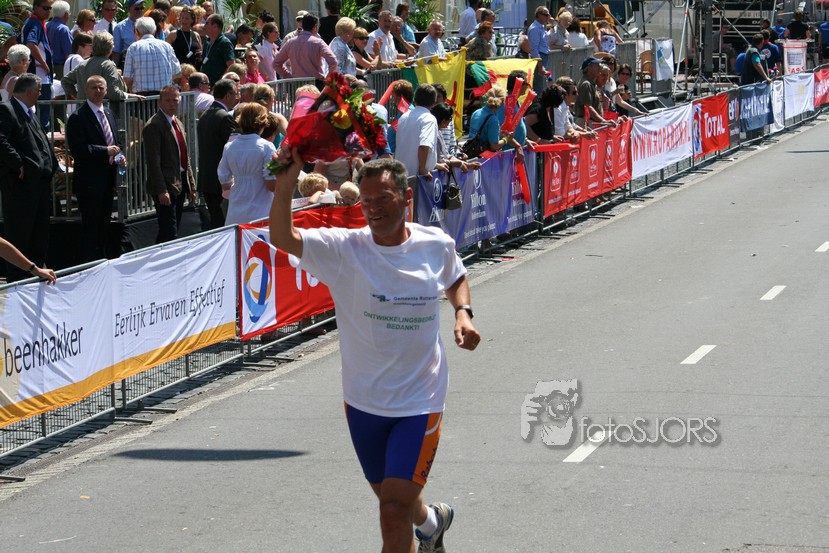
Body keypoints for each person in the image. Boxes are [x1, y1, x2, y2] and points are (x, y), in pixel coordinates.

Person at [0, 73, 57, 282]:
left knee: (39, 234)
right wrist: (17, 163)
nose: (40, 94)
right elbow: (1, 140)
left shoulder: (29, 112)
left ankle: (36, 273)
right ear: (30, 91)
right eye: (39, 91)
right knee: (20, 233)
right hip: (20, 186)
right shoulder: (7, 110)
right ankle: (18, 277)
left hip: (39, 184)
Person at [66, 76, 123, 262]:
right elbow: (79, 149)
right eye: (93, 88)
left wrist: (119, 157)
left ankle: (102, 258)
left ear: (106, 90)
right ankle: (89, 262)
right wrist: (106, 151)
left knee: (104, 224)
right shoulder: (78, 117)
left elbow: (116, 142)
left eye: (101, 88)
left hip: (107, 181)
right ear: (86, 90)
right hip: (89, 183)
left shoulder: (109, 113)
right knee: (90, 226)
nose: (98, 91)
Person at [143, 85, 196, 243]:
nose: (172, 104)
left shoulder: (177, 122)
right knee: (169, 231)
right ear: (159, 102)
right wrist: (161, 190)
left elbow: (185, 156)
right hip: (165, 184)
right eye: (168, 100)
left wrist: (191, 186)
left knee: (172, 229)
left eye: (175, 100)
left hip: (180, 181)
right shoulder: (154, 125)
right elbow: (153, 162)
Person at [217, 102, 277, 225]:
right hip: (262, 210)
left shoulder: (229, 147)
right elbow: (271, 184)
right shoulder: (267, 146)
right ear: (262, 123)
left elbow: (224, 180)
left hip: (236, 208)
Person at [197, 78, 238, 229]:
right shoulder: (225, 117)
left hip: (207, 180)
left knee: (216, 222)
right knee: (223, 224)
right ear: (227, 95)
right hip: (221, 182)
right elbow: (233, 148)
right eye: (236, 93)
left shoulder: (205, 115)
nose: (237, 98)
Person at [63, 31, 137, 103]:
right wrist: (129, 96)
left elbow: (65, 81)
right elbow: (113, 93)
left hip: (84, 108)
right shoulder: (108, 65)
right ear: (109, 47)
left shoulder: (83, 64)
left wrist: (79, 97)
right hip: (104, 109)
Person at [274, 13, 337, 87]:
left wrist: (288, 76)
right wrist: (328, 78)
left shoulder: (290, 42)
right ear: (315, 26)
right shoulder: (318, 43)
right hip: (315, 84)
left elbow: (276, 63)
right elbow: (333, 61)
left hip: (297, 84)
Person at [123, 17, 180, 96]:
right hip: (164, 96)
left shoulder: (133, 48)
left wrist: (131, 91)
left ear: (137, 31)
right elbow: (177, 73)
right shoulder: (166, 46)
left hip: (141, 97)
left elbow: (127, 79)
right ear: (154, 30)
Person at [394, 83, 439, 177]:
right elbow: (424, 146)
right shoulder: (429, 119)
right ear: (434, 102)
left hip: (400, 173)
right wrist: (423, 169)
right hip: (417, 177)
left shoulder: (403, 117)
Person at [22, 0, 54, 130]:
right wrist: (44, 63)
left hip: (34, 76)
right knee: (42, 119)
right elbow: (30, 43)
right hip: (39, 78)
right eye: (45, 8)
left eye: (50, 8)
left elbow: (17, 40)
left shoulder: (30, 22)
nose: (48, 11)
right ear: (35, 7)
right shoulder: (35, 23)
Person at [468, 84, 512, 153]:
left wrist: (499, 133)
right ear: (502, 102)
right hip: (484, 155)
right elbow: (494, 146)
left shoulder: (476, 112)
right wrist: (506, 139)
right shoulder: (493, 120)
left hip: (472, 152)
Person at [575, 56, 617, 128]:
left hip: (592, 122)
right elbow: (588, 107)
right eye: (597, 65)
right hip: (587, 124)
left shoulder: (591, 84)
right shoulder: (586, 84)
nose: (600, 68)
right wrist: (603, 121)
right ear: (589, 68)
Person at [202, 14, 236, 84]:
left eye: (207, 23)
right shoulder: (207, 41)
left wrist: (219, 83)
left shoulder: (224, 43)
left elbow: (231, 66)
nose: (204, 26)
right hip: (206, 85)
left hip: (218, 86)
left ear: (215, 26)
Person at [113, 0, 146, 67]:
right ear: (129, 9)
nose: (140, 11)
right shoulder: (120, 27)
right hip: (128, 64)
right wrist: (115, 68)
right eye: (136, 9)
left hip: (145, 62)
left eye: (142, 8)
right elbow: (116, 51)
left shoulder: (148, 25)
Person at [47, 1, 73, 80]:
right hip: (60, 68)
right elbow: (69, 53)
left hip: (46, 65)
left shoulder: (46, 25)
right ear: (66, 14)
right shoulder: (64, 29)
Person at [527, 7, 551, 90]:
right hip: (539, 59)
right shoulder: (535, 29)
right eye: (546, 15)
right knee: (538, 87)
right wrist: (540, 66)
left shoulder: (541, 27)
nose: (548, 17)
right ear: (539, 15)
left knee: (542, 86)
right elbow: (534, 49)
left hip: (543, 58)